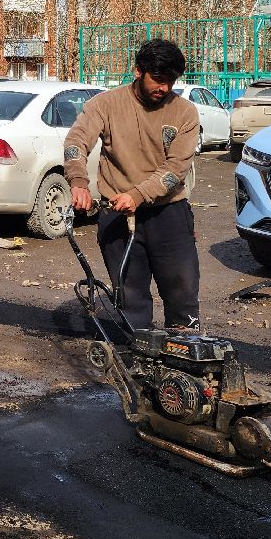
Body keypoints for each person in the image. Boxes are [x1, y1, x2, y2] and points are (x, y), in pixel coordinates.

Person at [64, 38, 201, 332]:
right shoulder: (104, 105)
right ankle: (138, 364)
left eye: (171, 81)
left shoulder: (185, 113)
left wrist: (138, 195)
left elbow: (176, 168)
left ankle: (184, 364)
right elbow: (76, 142)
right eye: (158, 79)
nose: (164, 88)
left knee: (183, 296)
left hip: (169, 213)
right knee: (130, 298)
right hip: (117, 215)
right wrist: (78, 181)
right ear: (138, 71)